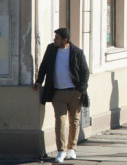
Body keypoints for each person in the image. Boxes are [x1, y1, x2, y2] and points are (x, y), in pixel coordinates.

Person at [33, 28, 89, 164]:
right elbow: (44, 66)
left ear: (65, 40)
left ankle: (72, 149)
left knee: (74, 121)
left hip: (74, 92)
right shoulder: (51, 49)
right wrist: (39, 81)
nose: (54, 40)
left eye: (57, 38)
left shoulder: (77, 52)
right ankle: (61, 151)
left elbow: (85, 72)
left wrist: (81, 90)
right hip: (57, 92)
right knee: (59, 122)